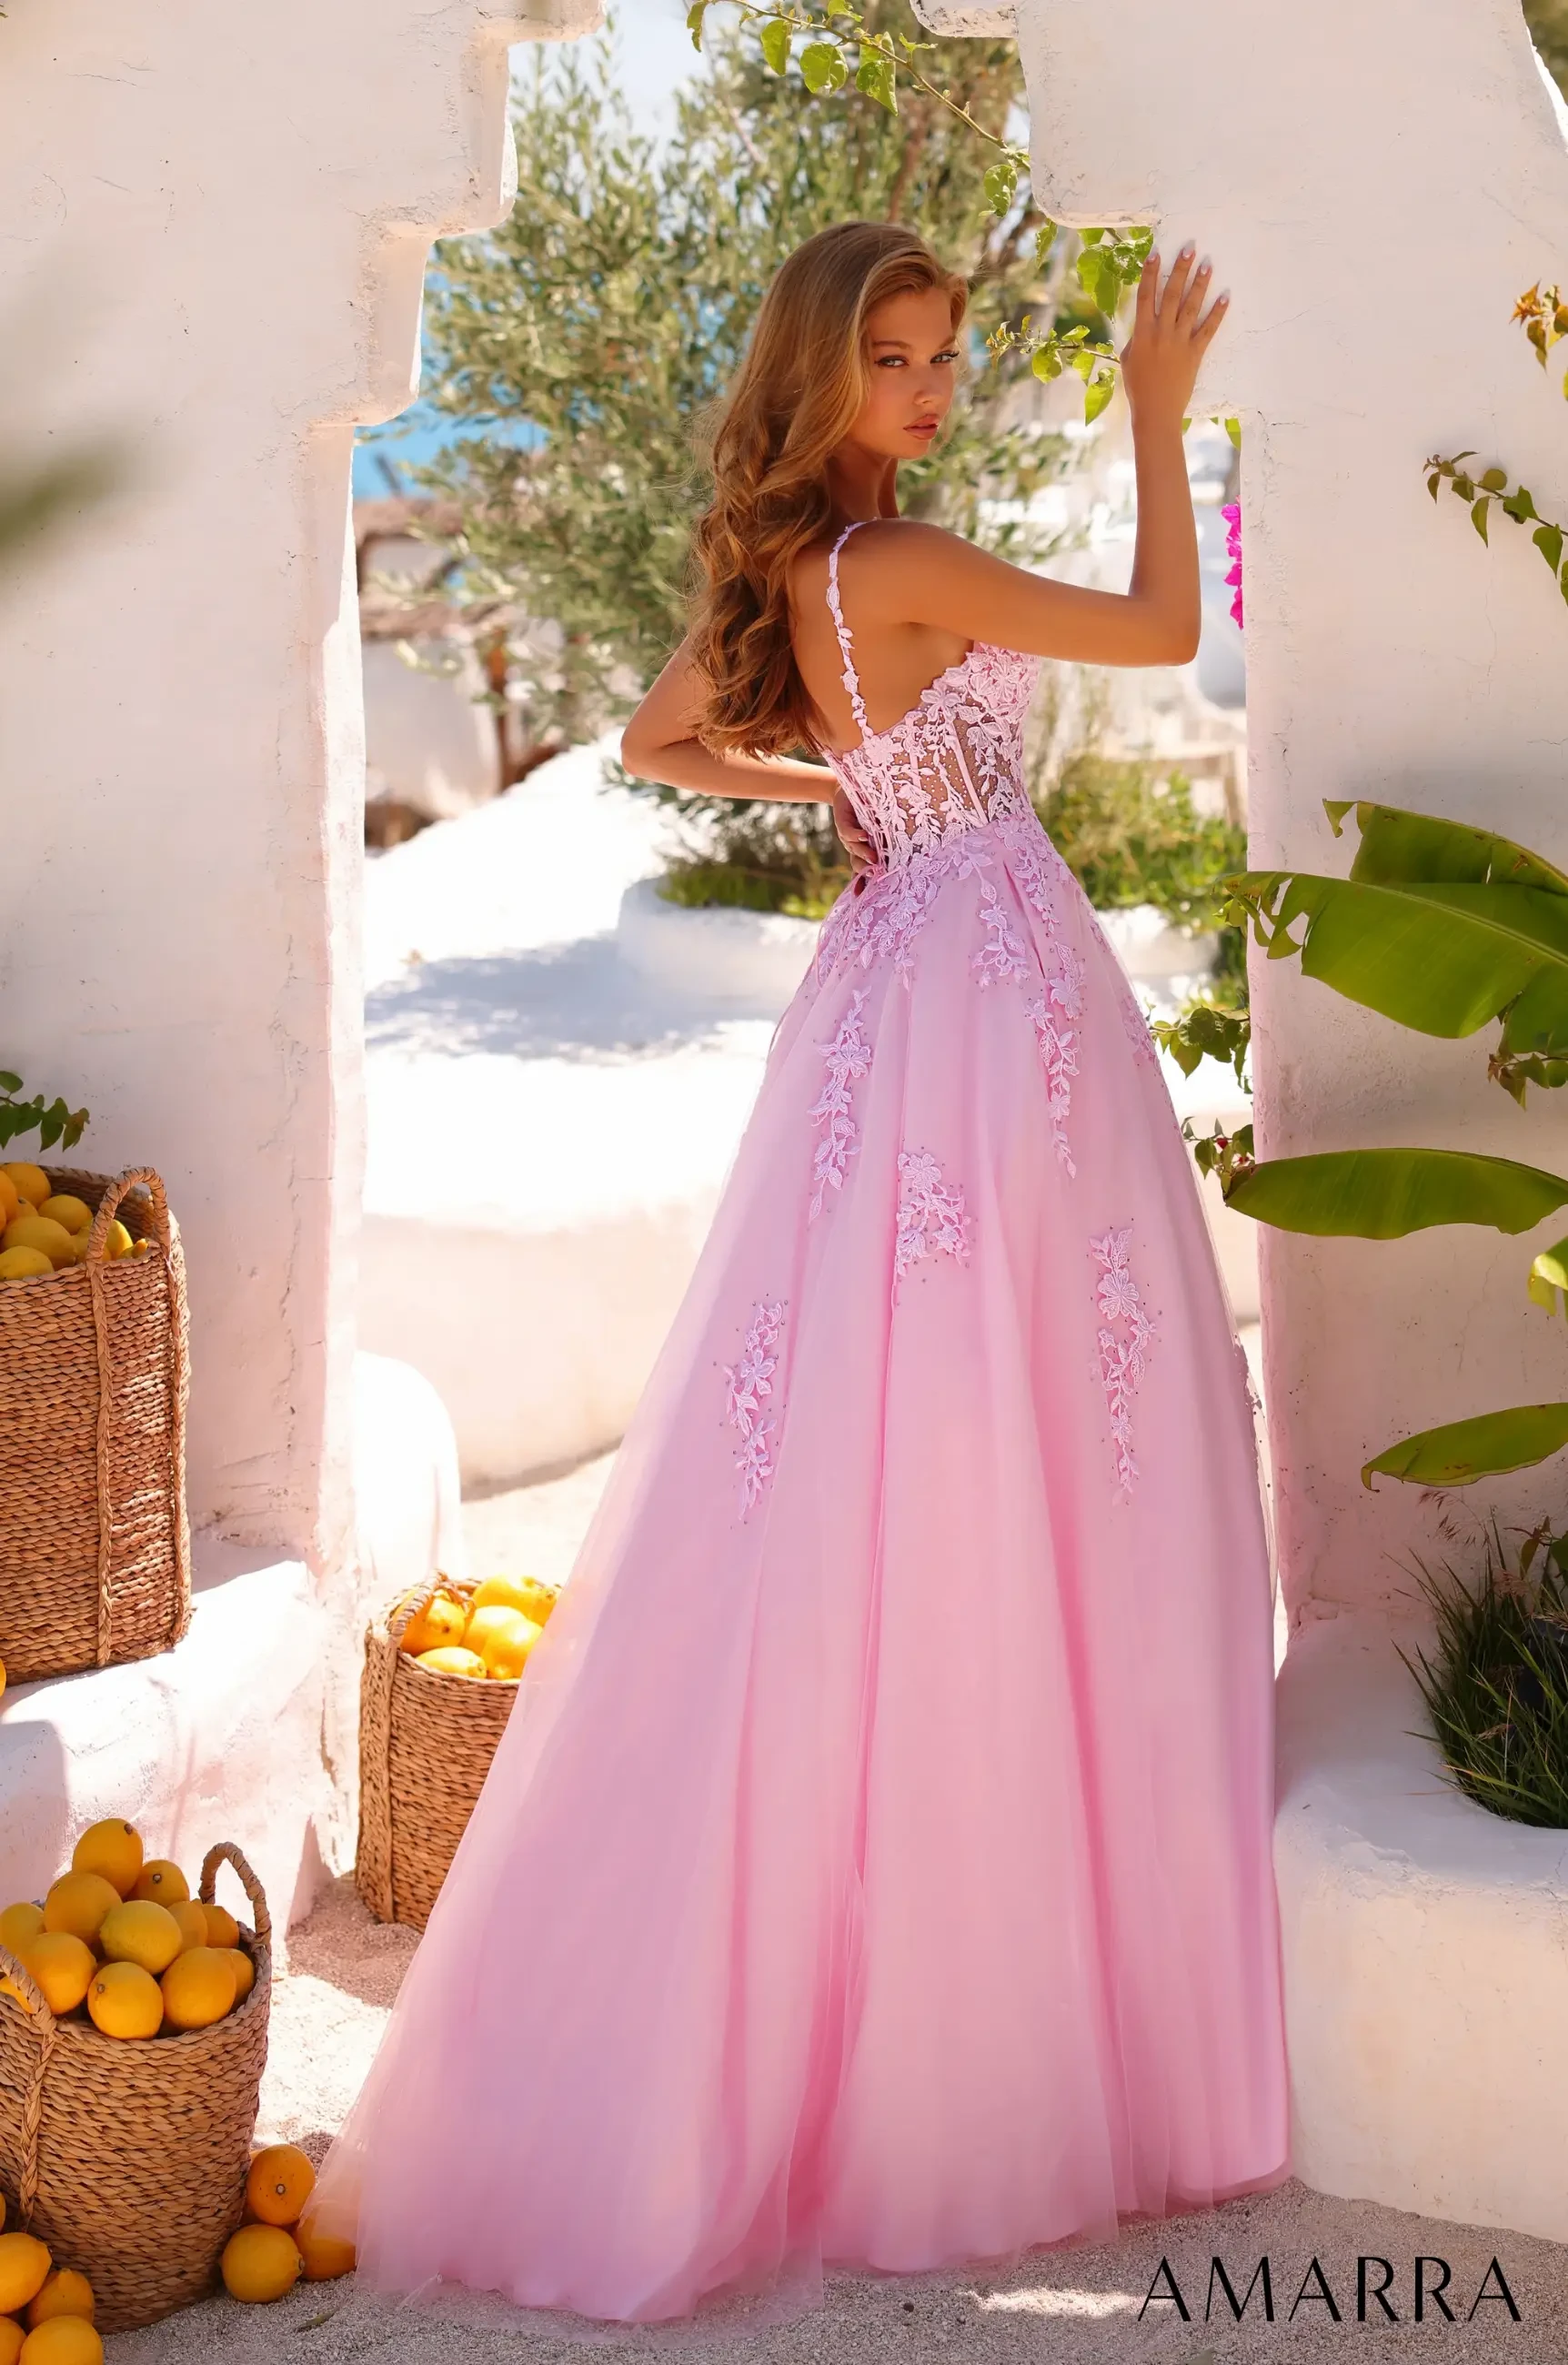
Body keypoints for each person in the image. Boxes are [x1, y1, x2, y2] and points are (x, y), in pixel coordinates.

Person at [313, 219, 1288, 2323]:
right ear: (822, 378)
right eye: (896, 361)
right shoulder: (901, 570)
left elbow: (666, 739)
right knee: (1033, 1406)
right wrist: (1150, 408)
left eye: (944, 355)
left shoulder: (802, 578)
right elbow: (1148, 616)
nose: (931, 390)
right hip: (987, 975)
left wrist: (841, 782)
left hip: (905, 968)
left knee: (914, 1419)